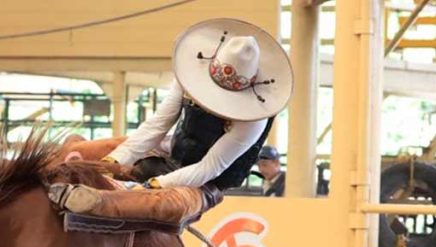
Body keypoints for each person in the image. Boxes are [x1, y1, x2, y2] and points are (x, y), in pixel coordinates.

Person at [49, 18, 293, 228]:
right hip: (175, 148)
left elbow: (209, 168)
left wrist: (152, 184)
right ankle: (47, 166)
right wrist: (115, 160)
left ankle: (98, 202)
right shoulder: (189, 76)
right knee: (112, 146)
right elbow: (158, 124)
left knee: (171, 202)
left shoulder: (254, 118)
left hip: (208, 181)